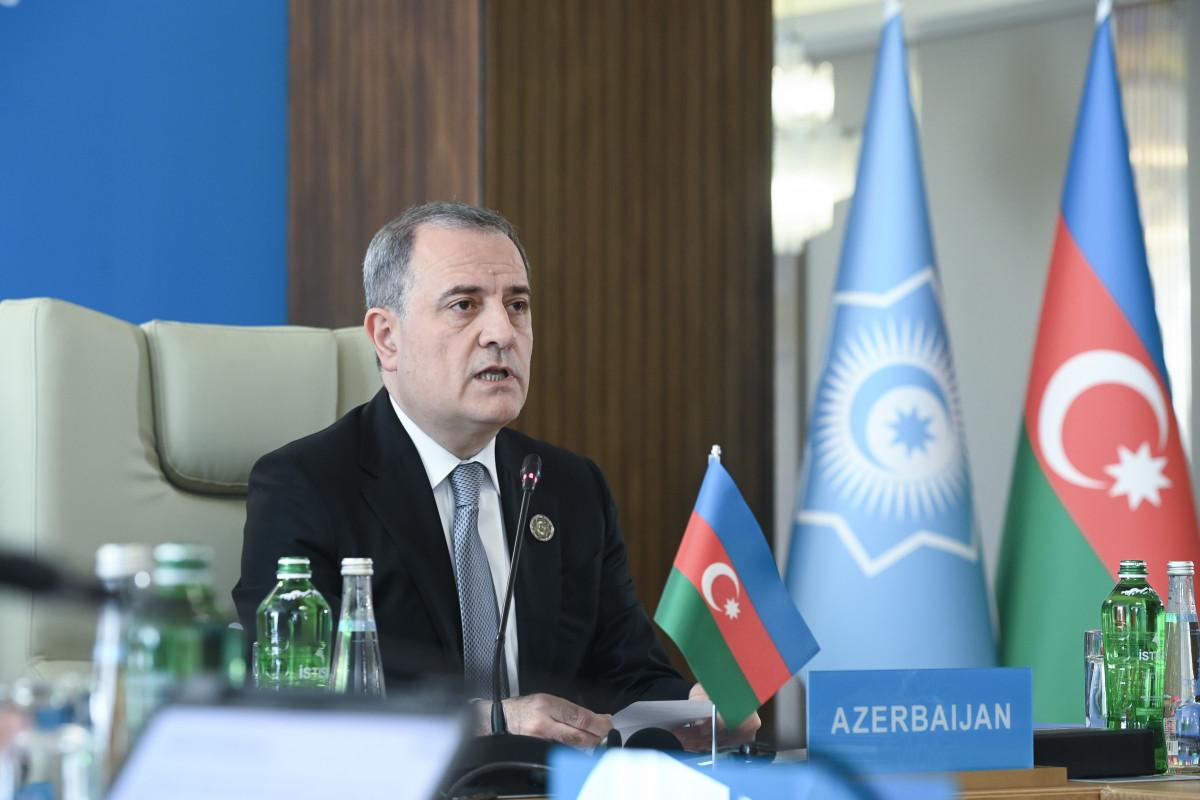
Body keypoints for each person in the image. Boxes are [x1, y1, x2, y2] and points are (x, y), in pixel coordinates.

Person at [233, 201, 759, 748]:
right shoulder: (305, 486)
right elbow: (297, 702)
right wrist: (491, 722)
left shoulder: (571, 488)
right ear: (387, 337)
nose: (502, 333)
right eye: (464, 305)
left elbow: (625, 674)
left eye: (517, 305)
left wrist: (695, 711)